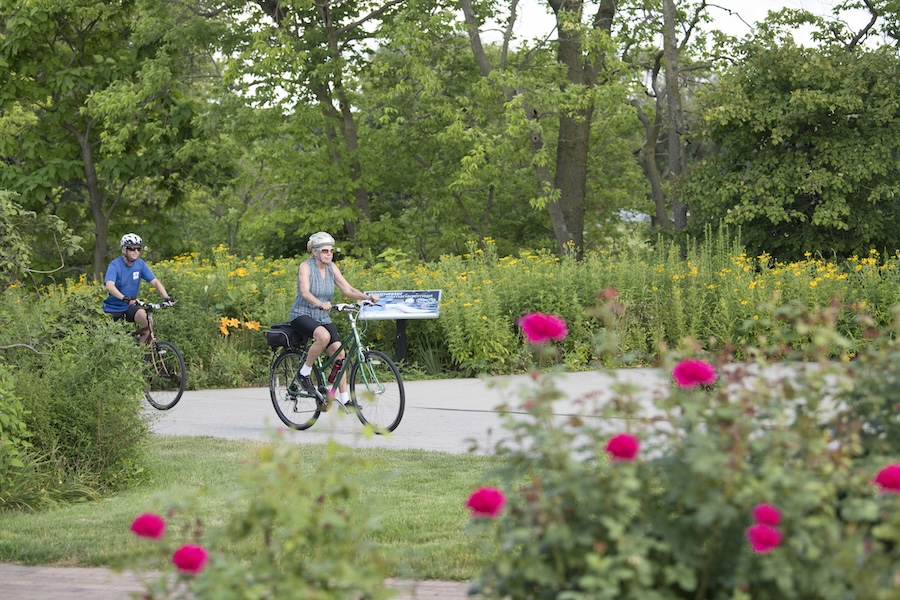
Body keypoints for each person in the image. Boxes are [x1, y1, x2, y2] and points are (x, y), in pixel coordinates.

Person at [289, 231, 378, 403]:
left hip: (322, 317)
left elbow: (348, 290)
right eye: (324, 251)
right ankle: (303, 373)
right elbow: (305, 292)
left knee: (340, 354)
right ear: (314, 252)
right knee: (323, 336)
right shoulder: (306, 267)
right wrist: (320, 303)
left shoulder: (331, 268)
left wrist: (367, 298)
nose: (329, 253)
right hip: (302, 314)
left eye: (331, 250)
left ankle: (344, 399)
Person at [103, 233, 175, 343]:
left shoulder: (140, 264)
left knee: (147, 320)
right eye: (132, 248)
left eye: (138, 249)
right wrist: (124, 298)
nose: (135, 251)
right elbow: (109, 286)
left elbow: (155, 282)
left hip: (128, 306)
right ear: (124, 249)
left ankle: (140, 355)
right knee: (112, 343)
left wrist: (167, 297)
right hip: (111, 309)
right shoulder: (115, 265)